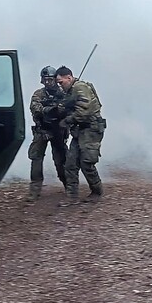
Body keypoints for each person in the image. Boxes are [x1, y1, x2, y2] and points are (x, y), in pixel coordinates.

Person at [54, 66, 106, 202]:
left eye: (61, 82)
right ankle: (71, 196)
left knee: (86, 163)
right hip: (80, 130)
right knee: (71, 163)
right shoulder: (70, 91)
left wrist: (67, 121)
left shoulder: (80, 87)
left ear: (69, 78)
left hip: (91, 130)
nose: (60, 86)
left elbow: (84, 112)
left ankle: (97, 191)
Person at [26, 66, 68, 201]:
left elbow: (67, 110)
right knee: (36, 159)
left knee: (61, 160)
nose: (48, 82)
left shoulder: (64, 94)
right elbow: (35, 108)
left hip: (58, 131)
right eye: (45, 80)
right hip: (42, 130)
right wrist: (50, 110)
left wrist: (59, 109)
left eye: (50, 79)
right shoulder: (39, 94)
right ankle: (34, 191)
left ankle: (69, 187)